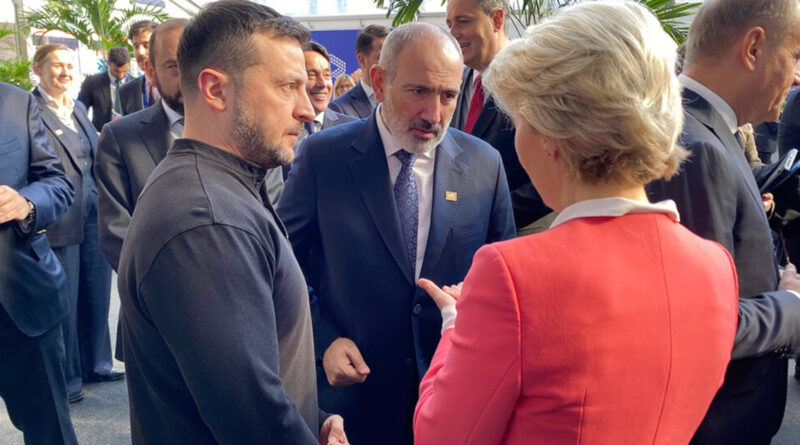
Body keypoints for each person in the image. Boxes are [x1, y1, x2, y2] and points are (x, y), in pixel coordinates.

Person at [413, 3, 740, 443]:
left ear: (552, 137)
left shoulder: (512, 274)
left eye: (520, 119)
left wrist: (455, 326)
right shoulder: (715, 266)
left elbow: (441, 435)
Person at [117, 2, 347, 443]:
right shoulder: (207, 221)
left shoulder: (221, 187)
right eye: (288, 86)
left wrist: (313, 420)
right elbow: (252, 417)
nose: (307, 109)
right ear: (216, 90)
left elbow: (249, 371)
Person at [278, 22, 515, 445]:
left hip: (453, 398)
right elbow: (283, 263)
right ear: (379, 82)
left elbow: (504, 276)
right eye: (419, 91)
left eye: (448, 96)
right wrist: (324, 340)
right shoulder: (324, 157)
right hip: (355, 399)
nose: (434, 114)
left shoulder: (484, 164)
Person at [647, 0, 800, 443]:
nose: (796, 76)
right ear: (753, 48)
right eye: (794, 55)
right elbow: (701, 326)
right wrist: (789, 303)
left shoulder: (701, 127)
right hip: (720, 420)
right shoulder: (697, 147)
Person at [31, 44, 122, 403]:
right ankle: (67, 377)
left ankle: (97, 364)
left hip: (93, 211)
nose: (65, 72)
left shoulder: (78, 108)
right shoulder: (30, 109)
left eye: (70, 66)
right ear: (37, 69)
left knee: (97, 291)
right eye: (57, 65)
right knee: (65, 300)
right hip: (59, 217)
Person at [0, 81, 77, 444]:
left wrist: (25, 203)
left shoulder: (17, 102)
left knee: (50, 432)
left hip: (24, 302)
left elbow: (57, 182)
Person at [446, 0, 552, 234]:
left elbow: (558, 167)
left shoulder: (535, 78)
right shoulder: (455, 83)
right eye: (450, 24)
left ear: (496, 19)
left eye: (463, 21)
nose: (453, 33)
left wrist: (493, 214)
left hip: (523, 233)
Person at [298, 41, 354, 148]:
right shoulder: (276, 129)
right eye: (312, 75)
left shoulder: (352, 131)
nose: (323, 83)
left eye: (327, 75)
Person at [328, 25, 389, 118]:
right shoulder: (339, 109)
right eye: (382, 57)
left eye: (392, 57)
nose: (389, 63)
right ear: (362, 60)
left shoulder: (406, 99)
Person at [77, 46, 131, 131]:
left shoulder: (136, 84)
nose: (121, 75)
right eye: (116, 71)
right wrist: (90, 132)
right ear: (108, 63)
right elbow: (80, 111)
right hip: (101, 133)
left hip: (129, 133)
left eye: (124, 71)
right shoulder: (92, 83)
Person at [119, 20, 160, 115]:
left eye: (146, 45)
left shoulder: (179, 85)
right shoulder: (126, 91)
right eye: (136, 46)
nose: (140, 52)